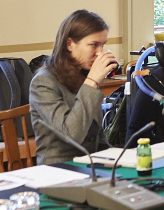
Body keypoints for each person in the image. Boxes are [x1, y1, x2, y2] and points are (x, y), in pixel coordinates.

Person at [30, 10, 117, 164]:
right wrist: (91, 82)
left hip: (91, 164)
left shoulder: (84, 75)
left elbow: (97, 135)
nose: (100, 53)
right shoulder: (43, 82)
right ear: (69, 44)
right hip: (59, 168)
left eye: (103, 45)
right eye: (94, 45)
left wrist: (117, 159)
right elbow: (72, 133)